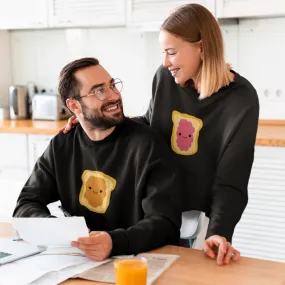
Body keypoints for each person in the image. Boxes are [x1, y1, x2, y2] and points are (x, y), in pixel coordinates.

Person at [61, 4, 259, 265]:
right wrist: (92, 122)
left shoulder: (241, 99)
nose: (165, 62)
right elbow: (151, 124)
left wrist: (219, 233)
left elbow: (231, 180)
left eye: (172, 52)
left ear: (201, 46)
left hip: (197, 216)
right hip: (153, 206)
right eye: (163, 52)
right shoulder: (164, 78)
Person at [13, 57, 182, 261]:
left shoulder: (147, 144)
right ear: (75, 106)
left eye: (112, 85)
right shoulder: (62, 145)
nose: (113, 95)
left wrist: (114, 242)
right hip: (78, 260)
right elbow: (25, 204)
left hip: (136, 261)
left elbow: (166, 223)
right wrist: (61, 231)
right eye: (99, 91)